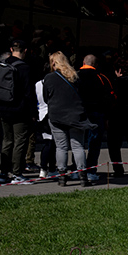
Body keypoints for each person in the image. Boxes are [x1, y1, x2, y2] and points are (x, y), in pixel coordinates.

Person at [42, 51, 96, 187]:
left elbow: (45, 97)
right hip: (76, 115)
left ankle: (62, 177)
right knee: (78, 146)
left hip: (56, 115)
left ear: (53, 63)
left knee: (61, 147)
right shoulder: (75, 76)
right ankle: (83, 177)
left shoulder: (49, 78)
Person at [0, 39, 36, 183]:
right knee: (20, 141)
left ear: (11, 50)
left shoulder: (3, 64)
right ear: (25, 51)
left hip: (3, 108)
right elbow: (29, 93)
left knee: (7, 140)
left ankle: (3, 172)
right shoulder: (24, 68)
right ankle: (17, 172)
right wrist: (33, 112)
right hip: (20, 110)